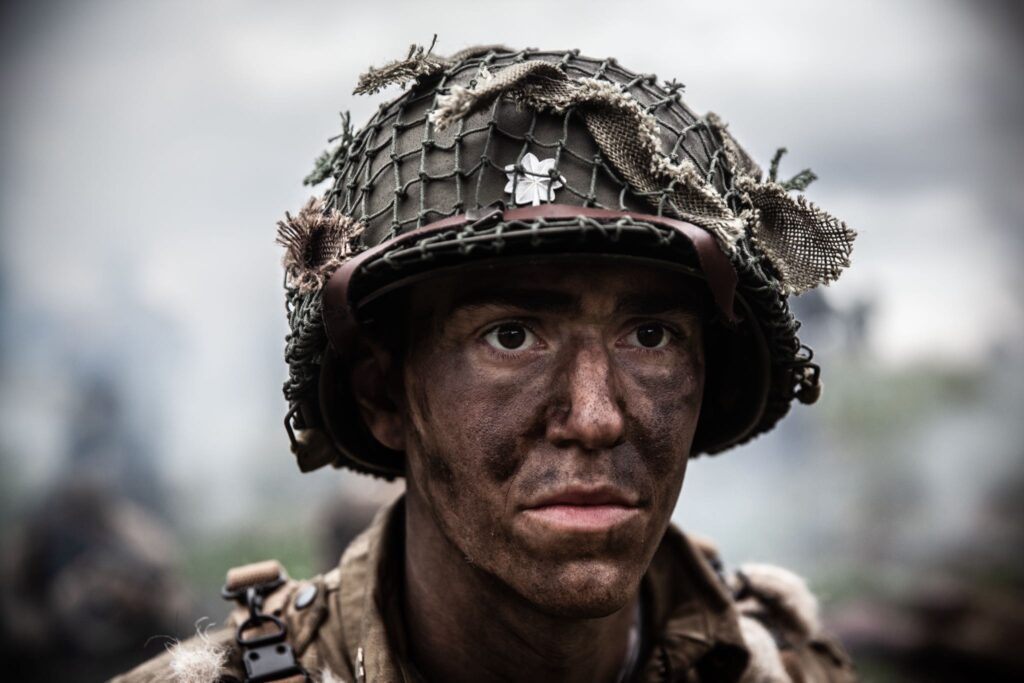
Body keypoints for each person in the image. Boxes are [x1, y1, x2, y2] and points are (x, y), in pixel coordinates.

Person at [115, 43, 858, 683]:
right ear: (383, 393)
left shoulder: (785, 664)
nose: (596, 418)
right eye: (510, 335)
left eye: (651, 335)